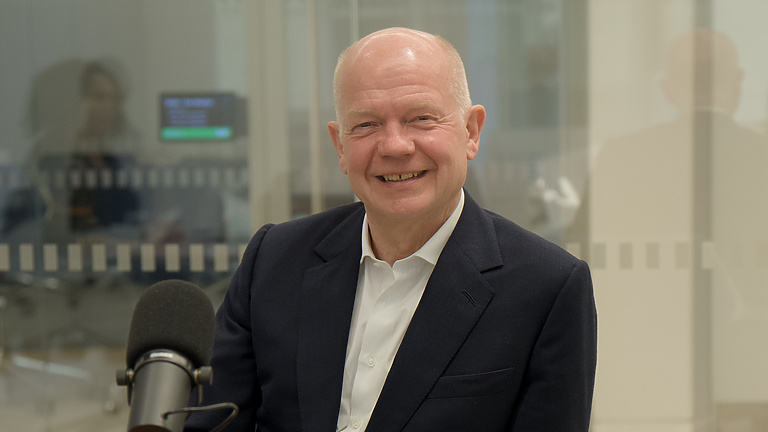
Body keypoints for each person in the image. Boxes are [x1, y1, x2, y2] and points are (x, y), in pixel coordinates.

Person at [186, 27, 596, 432]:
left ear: (470, 132)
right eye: (366, 125)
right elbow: (210, 422)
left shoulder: (547, 288)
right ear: (340, 146)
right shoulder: (273, 261)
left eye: (421, 118)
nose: (395, 146)